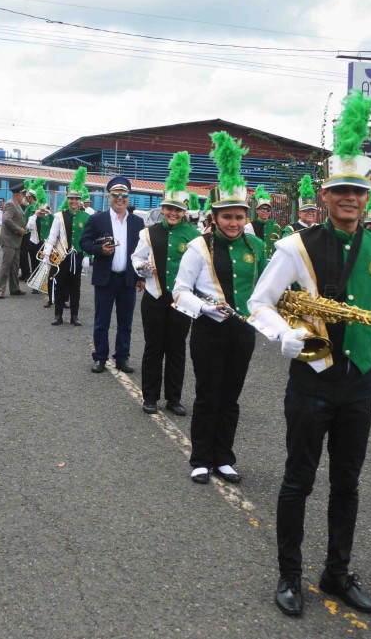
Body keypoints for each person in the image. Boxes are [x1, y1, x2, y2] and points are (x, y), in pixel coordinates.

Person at [246, 91, 371, 618]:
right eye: (340, 190)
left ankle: (335, 573)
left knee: (348, 483)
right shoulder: (296, 246)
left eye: (357, 192)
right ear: (325, 192)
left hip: (358, 384)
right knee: (298, 481)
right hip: (312, 376)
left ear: (368, 196)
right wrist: (282, 337)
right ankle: (289, 574)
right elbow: (259, 303)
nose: (349, 199)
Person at [173, 136, 266, 485]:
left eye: (239, 216)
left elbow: (266, 289)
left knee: (231, 397)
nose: (233, 223)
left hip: (242, 333)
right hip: (209, 332)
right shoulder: (198, 248)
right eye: (227, 216)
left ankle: (224, 457)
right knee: (208, 395)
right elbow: (179, 292)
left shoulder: (256, 245)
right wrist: (207, 309)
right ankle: (200, 458)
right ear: (214, 216)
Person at [131, 151, 200, 416]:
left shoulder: (194, 236)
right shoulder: (149, 232)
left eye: (177, 209)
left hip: (182, 301)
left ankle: (174, 398)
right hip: (154, 297)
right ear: (162, 208)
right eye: (168, 208)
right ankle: (150, 397)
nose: (172, 213)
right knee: (153, 347)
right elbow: (137, 257)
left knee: (177, 350)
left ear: (184, 212)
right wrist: (143, 269)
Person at [80, 173, 143, 373]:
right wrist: (100, 251)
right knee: (101, 321)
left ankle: (122, 358)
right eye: (115, 194)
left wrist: (140, 276)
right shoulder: (97, 219)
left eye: (123, 195)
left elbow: (142, 253)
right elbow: (84, 242)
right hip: (105, 279)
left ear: (128, 197)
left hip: (127, 279)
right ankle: (100, 358)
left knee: (126, 323)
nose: (119, 199)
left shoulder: (137, 223)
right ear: (109, 196)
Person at [44, 171, 90, 326]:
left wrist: (87, 256)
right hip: (62, 256)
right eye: (71, 198)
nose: (74, 201)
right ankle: (58, 315)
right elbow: (52, 236)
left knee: (75, 287)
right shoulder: (59, 216)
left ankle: (74, 316)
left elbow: (88, 238)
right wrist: (47, 253)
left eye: (76, 198)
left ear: (80, 200)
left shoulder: (86, 217)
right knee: (60, 285)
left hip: (77, 257)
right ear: (67, 199)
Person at [0, 183, 28, 299]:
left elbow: (17, 219)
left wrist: (23, 227)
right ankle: (1, 290)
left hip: (16, 241)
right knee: (6, 266)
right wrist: (18, 229)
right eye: (23, 194)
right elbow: (6, 219)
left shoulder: (17, 205)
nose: (24, 196)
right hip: (9, 240)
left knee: (14, 267)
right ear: (18, 194)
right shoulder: (10, 204)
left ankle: (14, 289)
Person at [250, 185, 282, 257]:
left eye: (268, 210)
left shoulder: (275, 225)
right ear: (257, 210)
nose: (265, 211)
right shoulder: (251, 226)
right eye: (263, 209)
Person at [20, 188, 37, 282]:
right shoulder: (29, 206)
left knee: (25, 253)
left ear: (30, 197)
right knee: (23, 254)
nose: (26, 198)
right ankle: (24, 272)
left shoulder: (32, 207)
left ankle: (27, 274)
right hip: (25, 232)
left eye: (27, 197)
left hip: (28, 233)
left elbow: (30, 221)